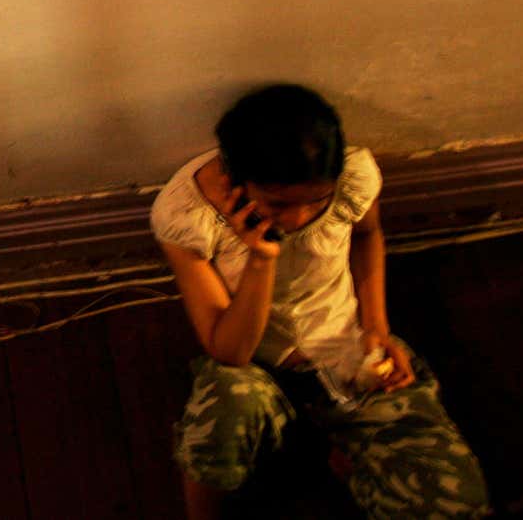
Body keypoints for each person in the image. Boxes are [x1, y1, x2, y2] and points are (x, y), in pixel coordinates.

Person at [150, 84, 489, 519]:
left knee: (457, 502)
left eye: (317, 201)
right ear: (236, 177)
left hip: (345, 354)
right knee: (222, 408)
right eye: (277, 203)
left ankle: (354, 463)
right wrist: (261, 258)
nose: (297, 219)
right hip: (258, 372)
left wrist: (378, 329)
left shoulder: (354, 176)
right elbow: (230, 351)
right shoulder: (185, 216)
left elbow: (368, 235)